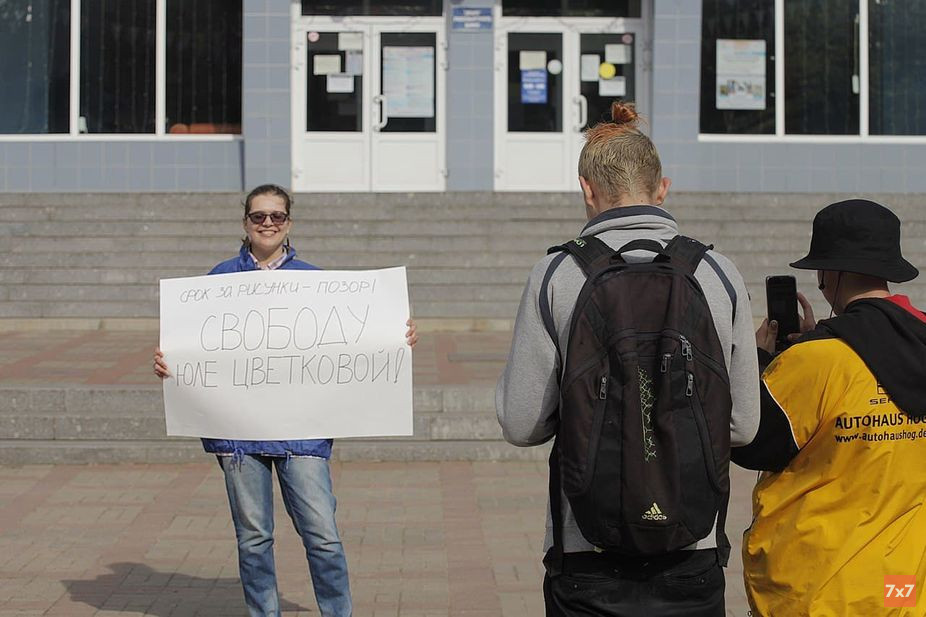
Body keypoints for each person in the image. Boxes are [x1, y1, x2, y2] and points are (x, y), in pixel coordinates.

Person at [496, 102, 760, 616]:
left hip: (587, 549)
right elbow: (744, 426)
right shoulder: (717, 272)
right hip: (692, 544)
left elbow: (522, 424)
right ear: (662, 189)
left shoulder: (557, 274)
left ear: (586, 189)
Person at [153, 184, 418, 617]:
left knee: (323, 535)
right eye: (259, 216)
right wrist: (170, 363)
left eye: (276, 216)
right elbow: (193, 348)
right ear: (245, 222)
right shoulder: (217, 281)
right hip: (239, 435)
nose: (268, 223)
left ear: (289, 223)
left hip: (302, 434)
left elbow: (353, 338)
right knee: (253, 539)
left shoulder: (316, 282)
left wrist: (394, 336)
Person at [732, 199, 926, 616]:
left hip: (822, 588)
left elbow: (750, 443)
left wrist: (763, 361)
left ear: (830, 274)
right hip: (903, 585)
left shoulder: (816, 358)